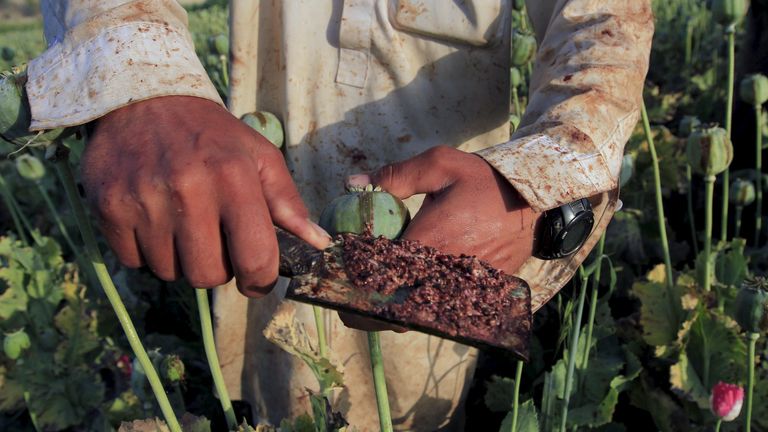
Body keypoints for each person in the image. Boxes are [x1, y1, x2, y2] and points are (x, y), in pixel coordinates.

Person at [28, 0, 653, 430]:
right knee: (283, 389)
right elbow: (123, 45)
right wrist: (137, 76)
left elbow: (603, 15)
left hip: (451, 218)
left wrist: (540, 176)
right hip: (255, 198)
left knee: (415, 398)